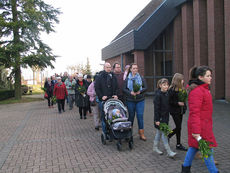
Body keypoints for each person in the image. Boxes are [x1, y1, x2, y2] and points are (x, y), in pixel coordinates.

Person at [181, 66, 218, 173]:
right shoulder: (197, 91)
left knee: (193, 148)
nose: (211, 78)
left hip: (204, 125)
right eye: (208, 76)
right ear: (200, 77)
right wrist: (196, 132)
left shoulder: (204, 89)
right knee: (207, 150)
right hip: (200, 127)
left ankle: (185, 169)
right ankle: (214, 171)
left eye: (211, 75)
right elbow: (194, 113)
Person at [123, 63, 147, 141]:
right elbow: (124, 89)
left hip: (140, 100)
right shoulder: (127, 79)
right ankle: (129, 133)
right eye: (133, 68)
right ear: (130, 69)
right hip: (130, 100)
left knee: (140, 116)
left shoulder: (141, 78)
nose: (135, 70)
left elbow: (146, 87)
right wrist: (130, 92)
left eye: (136, 68)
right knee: (131, 117)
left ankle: (141, 133)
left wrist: (140, 91)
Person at [153, 78, 177, 158]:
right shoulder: (158, 95)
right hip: (160, 118)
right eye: (164, 85)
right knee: (164, 134)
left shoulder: (167, 94)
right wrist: (157, 119)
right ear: (160, 86)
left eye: (167, 84)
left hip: (166, 117)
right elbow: (156, 108)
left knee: (159, 133)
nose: (166, 86)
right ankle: (169, 151)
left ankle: (155, 147)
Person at [95, 62, 118, 135]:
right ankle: (105, 132)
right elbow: (97, 88)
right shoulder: (99, 77)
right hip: (104, 99)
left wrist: (115, 94)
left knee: (113, 115)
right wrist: (101, 96)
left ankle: (113, 131)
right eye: (107, 67)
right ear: (104, 68)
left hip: (112, 99)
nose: (109, 68)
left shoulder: (113, 76)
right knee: (104, 117)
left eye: (110, 67)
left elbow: (117, 87)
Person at [168, 73, 188, 151]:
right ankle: (169, 135)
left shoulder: (182, 89)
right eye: (182, 80)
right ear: (178, 81)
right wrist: (177, 103)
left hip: (180, 111)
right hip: (174, 111)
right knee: (178, 127)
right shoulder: (171, 90)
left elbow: (184, 100)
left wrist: (184, 106)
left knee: (179, 128)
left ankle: (178, 144)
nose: (183, 81)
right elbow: (169, 101)